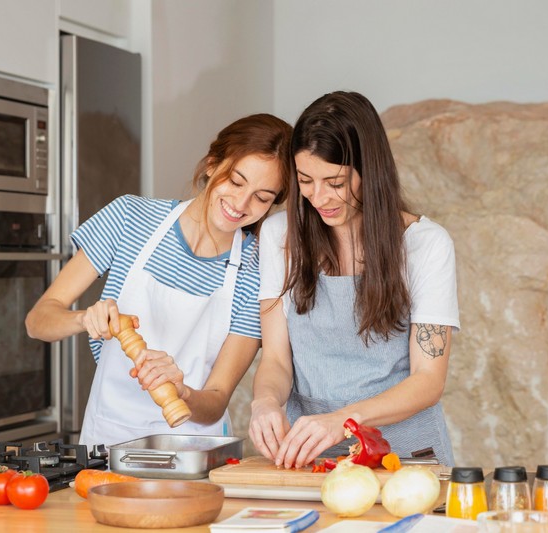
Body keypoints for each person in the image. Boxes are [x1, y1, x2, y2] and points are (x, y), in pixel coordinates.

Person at [26, 113, 293, 446]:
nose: (241, 204)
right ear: (212, 164)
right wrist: (83, 318)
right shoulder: (130, 218)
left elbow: (216, 400)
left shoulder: (258, 269)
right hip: (108, 440)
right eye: (236, 182)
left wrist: (181, 391)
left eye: (262, 197)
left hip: (193, 450)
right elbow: (38, 320)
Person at [248, 92, 460, 469]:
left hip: (406, 457)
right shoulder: (280, 235)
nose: (319, 196)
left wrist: (343, 421)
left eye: (335, 181)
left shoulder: (425, 244)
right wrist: (264, 402)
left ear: (371, 170)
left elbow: (428, 380)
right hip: (310, 456)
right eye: (305, 181)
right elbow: (277, 359)